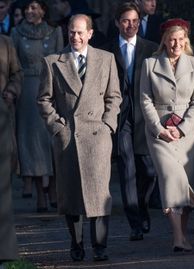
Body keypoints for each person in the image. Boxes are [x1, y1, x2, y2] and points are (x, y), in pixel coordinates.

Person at [37, 14, 121, 261]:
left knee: (99, 193)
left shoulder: (106, 59)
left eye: (80, 32)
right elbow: (43, 99)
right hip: (68, 137)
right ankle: (76, 244)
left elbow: (114, 96)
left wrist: (108, 125)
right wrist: (57, 127)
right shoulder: (53, 62)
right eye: (72, 32)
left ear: (90, 34)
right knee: (71, 193)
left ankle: (100, 247)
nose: (75, 37)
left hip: (97, 136)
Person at [140, 18, 194, 252]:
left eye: (180, 40)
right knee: (171, 178)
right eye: (171, 40)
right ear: (164, 41)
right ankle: (177, 238)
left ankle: (183, 235)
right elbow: (145, 100)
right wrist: (159, 128)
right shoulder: (150, 64)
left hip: (187, 134)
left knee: (186, 183)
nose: (176, 44)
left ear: (186, 41)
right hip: (159, 132)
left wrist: (184, 127)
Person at [102, 1, 158, 241]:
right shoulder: (106, 50)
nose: (131, 25)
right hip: (121, 116)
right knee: (127, 169)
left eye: (135, 21)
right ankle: (134, 221)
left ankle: (143, 206)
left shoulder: (151, 48)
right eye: (126, 20)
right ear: (117, 23)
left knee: (149, 169)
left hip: (146, 115)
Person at [11, 0, 63, 211]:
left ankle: (53, 187)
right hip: (28, 92)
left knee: (52, 139)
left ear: (43, 9)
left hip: (51, 89)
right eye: (26, 8)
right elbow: (13, 66)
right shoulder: (17, 32)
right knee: (31, 144)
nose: (29, 12)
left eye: (34, 7)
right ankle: (40, 193)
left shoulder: (55, 31)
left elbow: (61, 62)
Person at [0, 34, 22, 269]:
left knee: (2, 188)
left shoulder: (5, 43)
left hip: (1, 118)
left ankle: (3, 252)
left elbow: (17, 72)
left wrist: (11, 91)